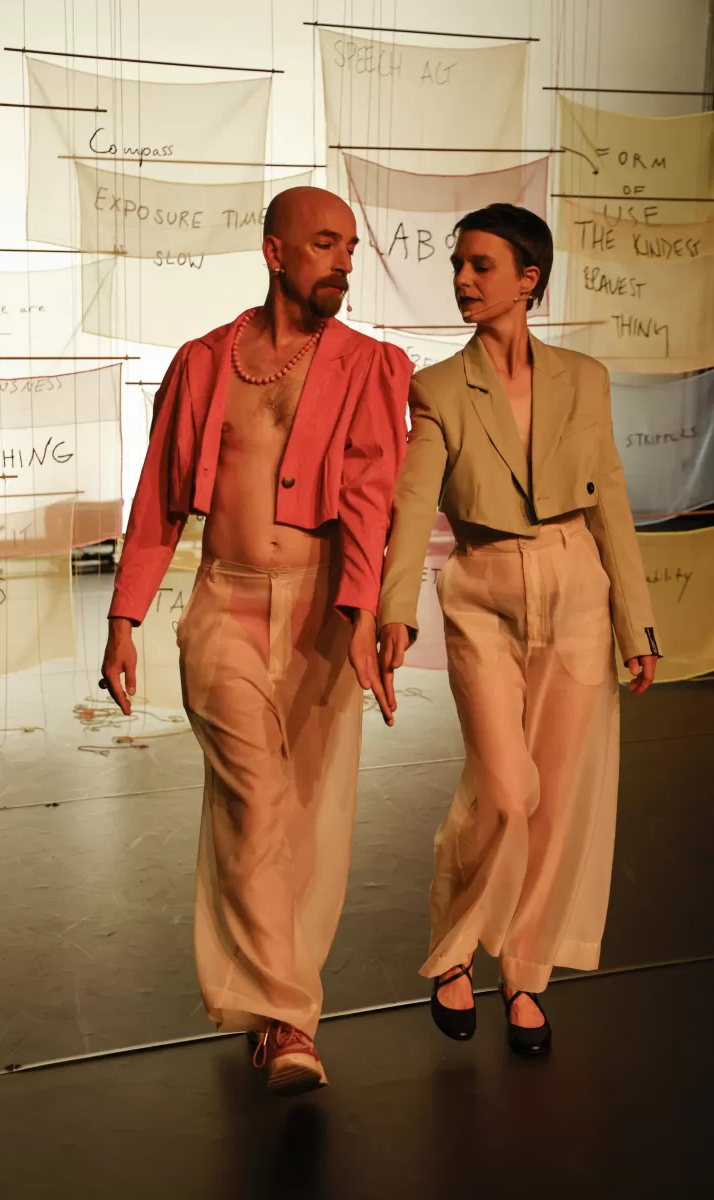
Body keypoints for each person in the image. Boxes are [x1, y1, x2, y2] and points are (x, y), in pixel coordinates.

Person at [100, 186, 412, 1094]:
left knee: (309, 819)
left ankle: (272, 1011)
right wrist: (123, 618)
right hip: (225, 603)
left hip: (322, 610)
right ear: (275, 252)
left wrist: (363, 614)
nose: (343, 262)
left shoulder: (369, 366)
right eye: (325, 244)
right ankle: (290, 1022)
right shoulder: (203, 363)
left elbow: (373, 501)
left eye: (350, 248)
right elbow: (158, 494)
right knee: (255, 802)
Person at [377, 203, 659, 1057]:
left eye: (481, 266)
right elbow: (413, 503)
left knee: (559, 799)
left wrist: (637, 623)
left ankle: (526, 974)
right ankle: (455, 949)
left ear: (527, 280)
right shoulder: (436, 387)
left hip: (578, 589)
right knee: (506, 792)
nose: (462, 279)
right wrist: (395, 610)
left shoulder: (584, 378)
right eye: (458, 265)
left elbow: (610, 496)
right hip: (482, 590)